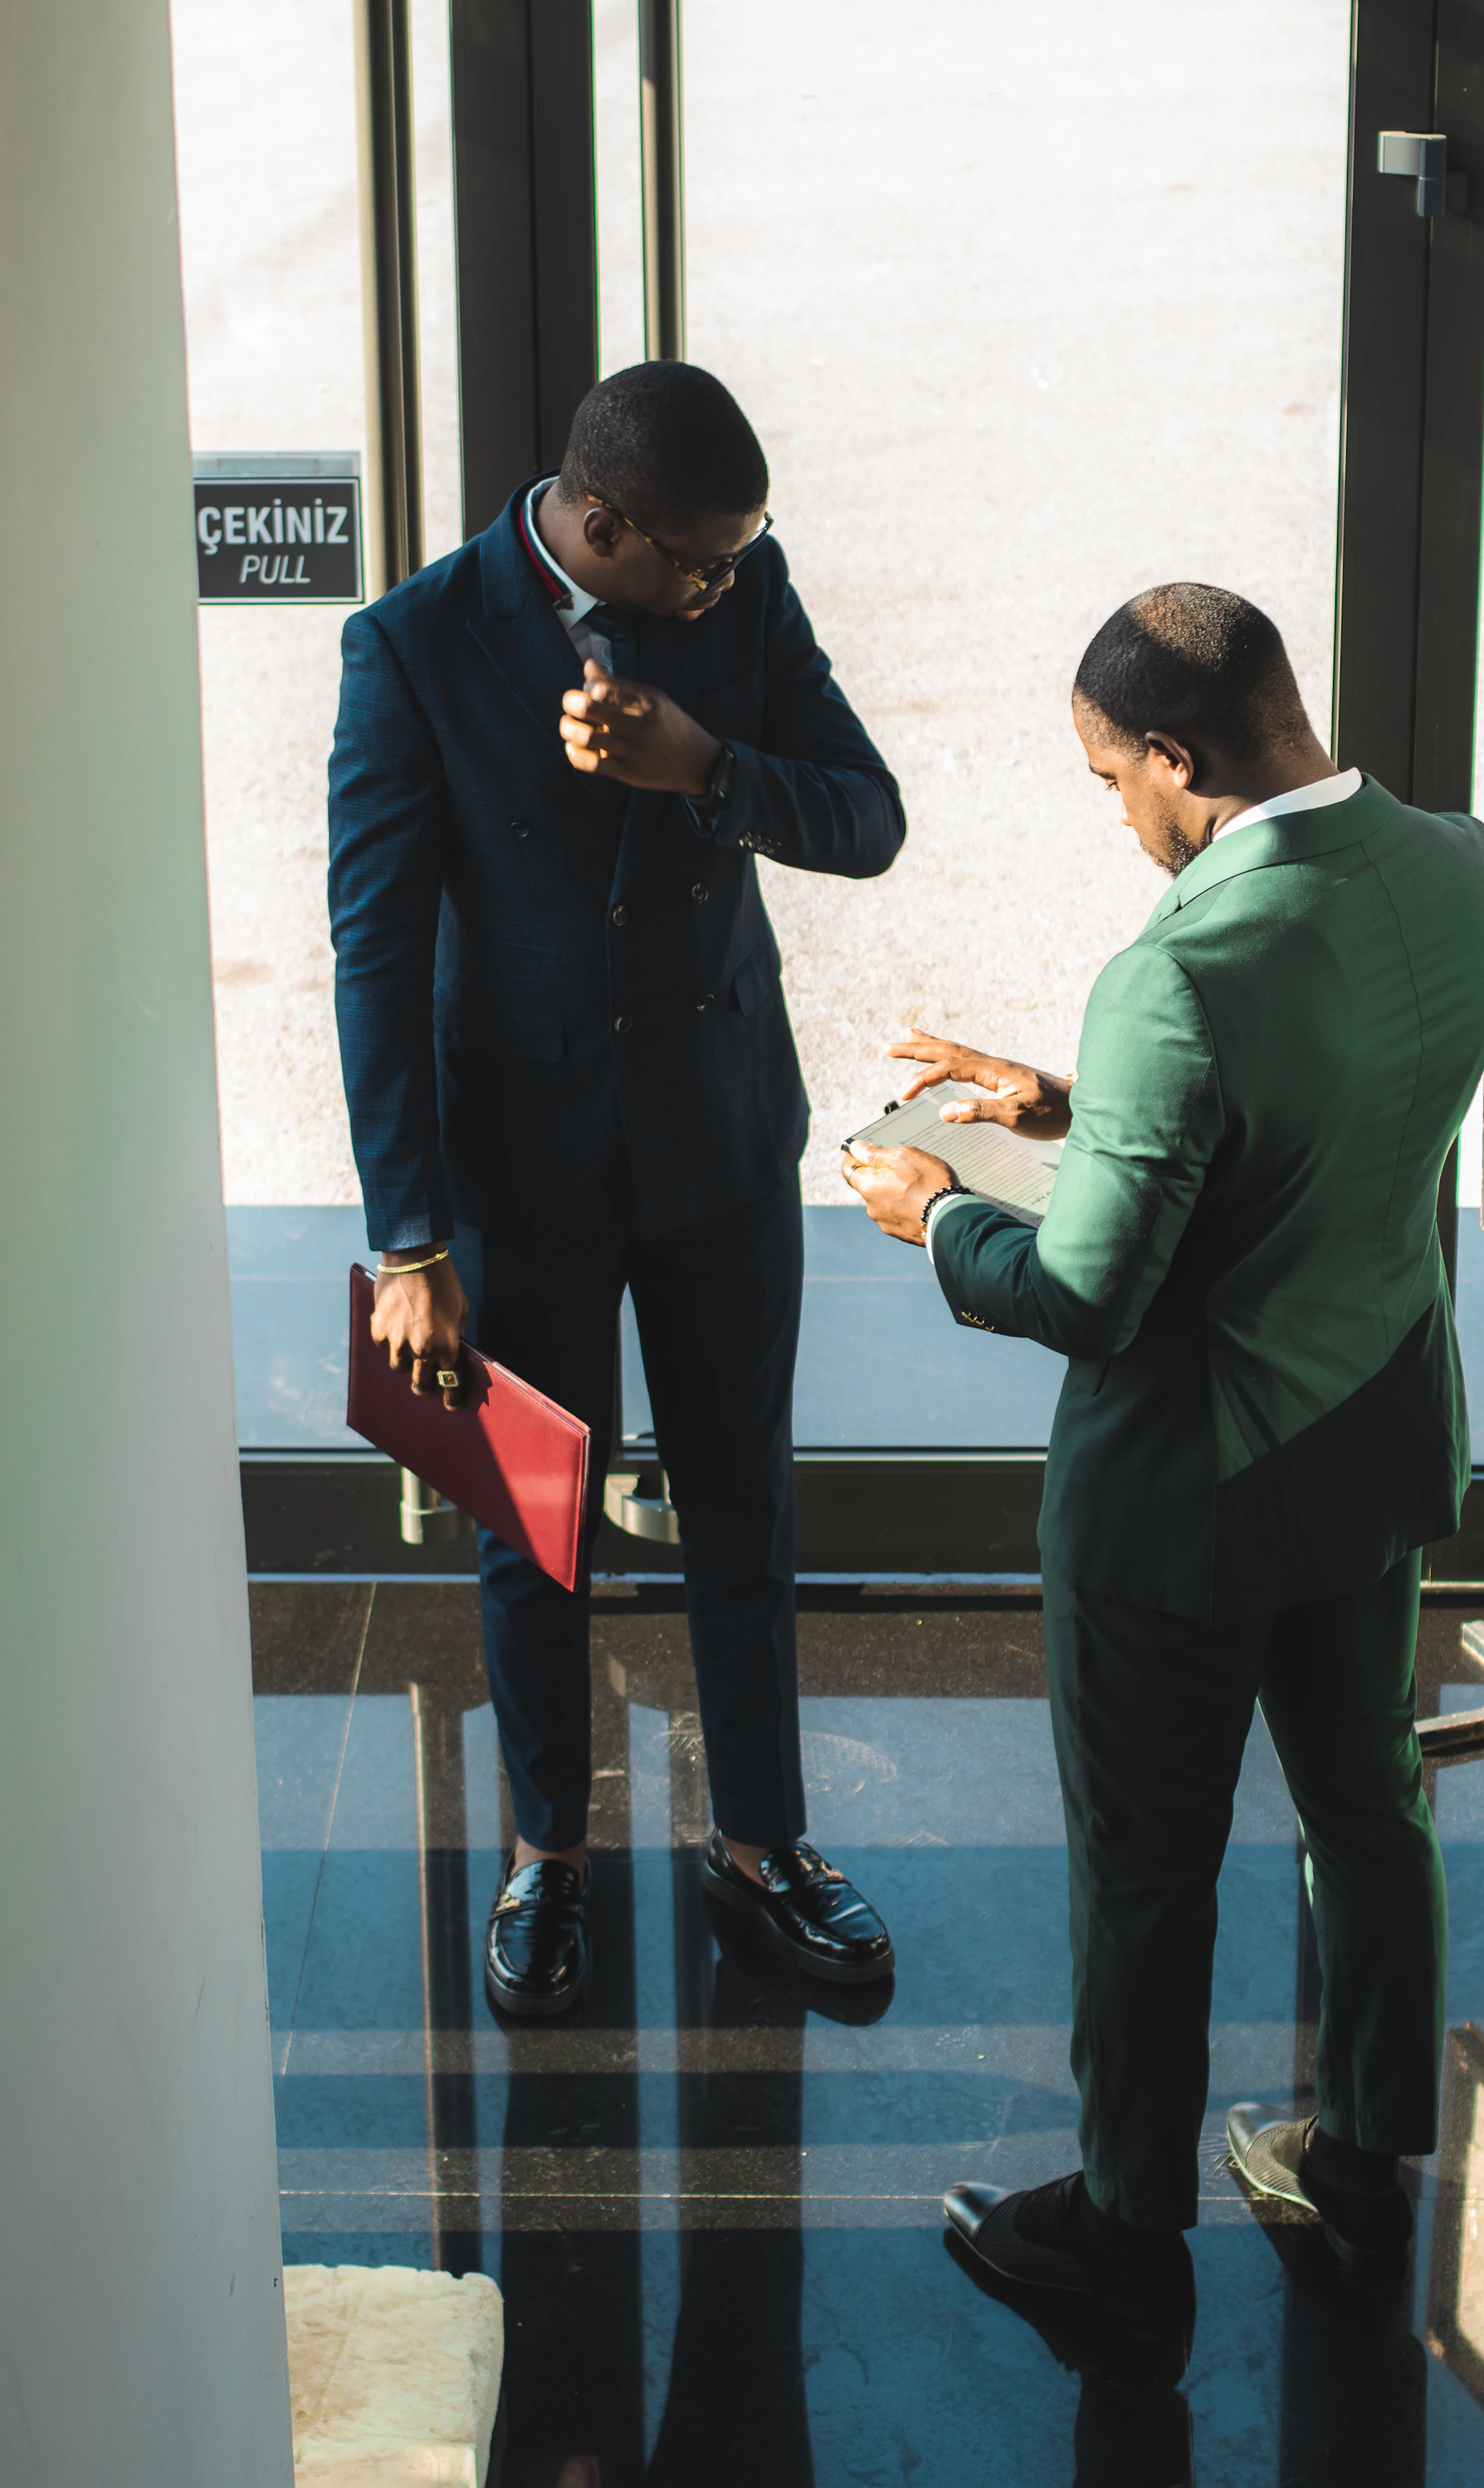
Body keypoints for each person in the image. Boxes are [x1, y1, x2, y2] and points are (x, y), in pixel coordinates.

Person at [844, 584, 1484, 2326]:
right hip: (1366, 1442)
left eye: (1107, 779)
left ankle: (1129, 2239)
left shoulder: (1180, 970)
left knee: (1143, 1874)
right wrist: (1078, 1107)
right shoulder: (1459, 871)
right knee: (1371, 1806)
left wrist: (933, 1214)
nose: (1115, 811)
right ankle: (1365, 2165)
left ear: (1176, 757)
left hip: (1181, 1507)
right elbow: (1330, 1106)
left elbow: (1083, 1291)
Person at [329, 360, 905, 2019]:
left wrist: (706, 762)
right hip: (514, 1177)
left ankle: (763, 1846)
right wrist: (409, 1240)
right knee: (532, 1525)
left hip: (722, 1143)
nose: (724, 584)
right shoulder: (412, 646)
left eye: (736, 562)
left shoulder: (749, 593)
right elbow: (373, 954)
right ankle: (543, 1858)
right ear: (602, 524)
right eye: (699, 563)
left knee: (746, 1499)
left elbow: (868, 818)